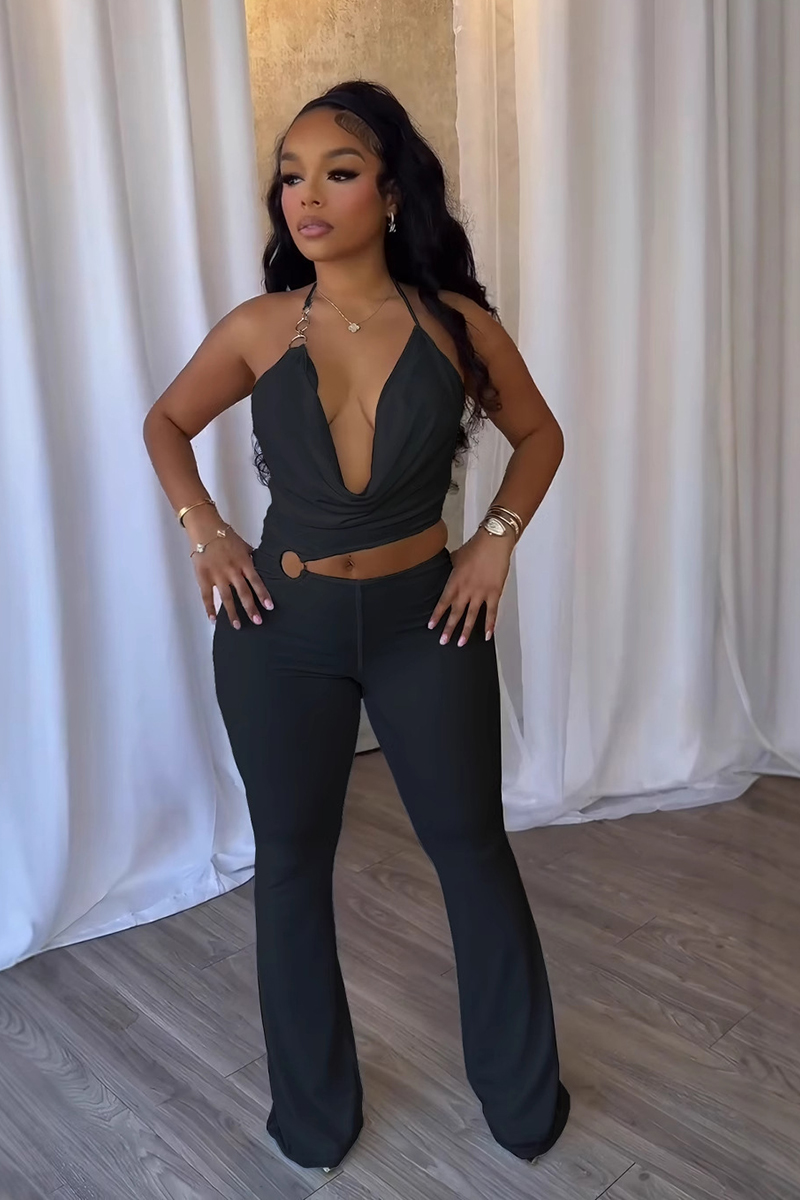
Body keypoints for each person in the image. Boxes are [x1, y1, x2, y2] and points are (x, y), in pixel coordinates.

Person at [142, 79, 570, 1174]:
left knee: (470, 848)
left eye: (336, 172)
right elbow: (167, 423)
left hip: (427, 621)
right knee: (292, 862)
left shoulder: (456, 325)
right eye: (291, 176)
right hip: (279, 628)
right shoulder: (258, 327)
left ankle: (524, 1099)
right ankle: (314, 1117)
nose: (306, 196)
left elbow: (539, 436)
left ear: (389, 193)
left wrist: (493, 541)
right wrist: (205, 531)